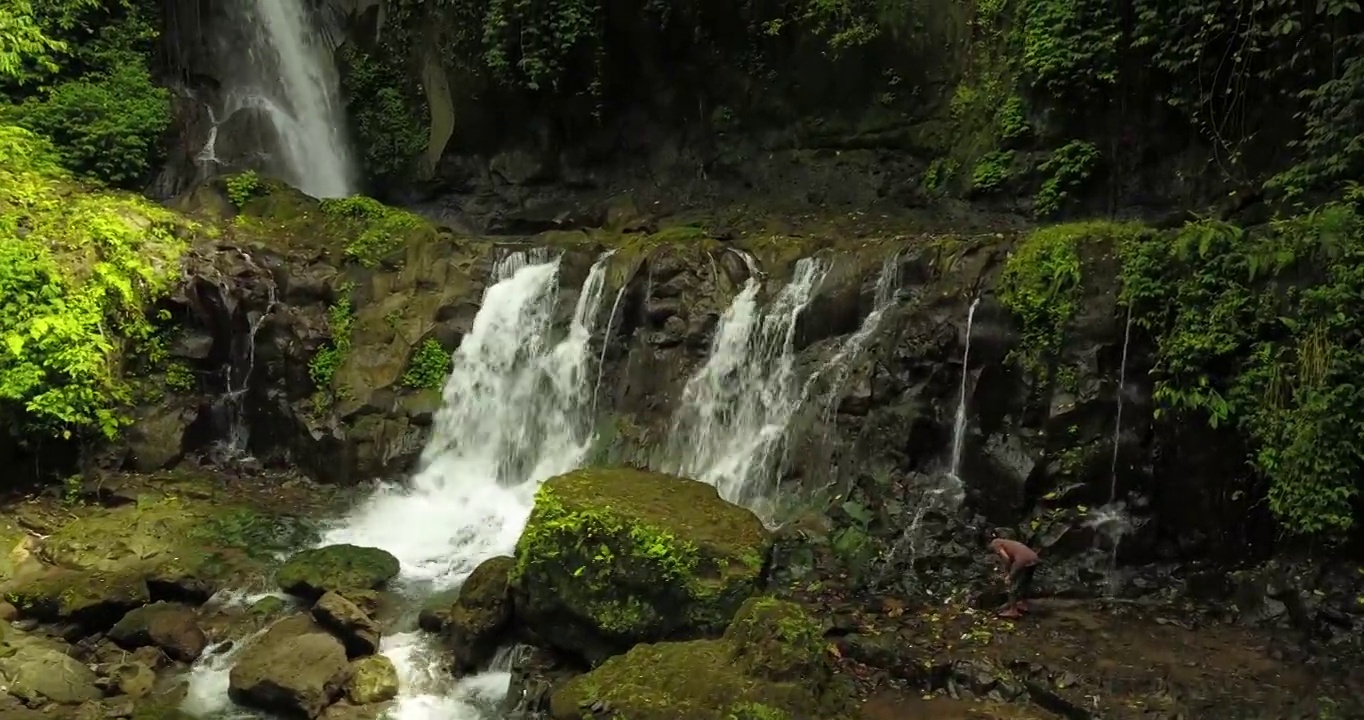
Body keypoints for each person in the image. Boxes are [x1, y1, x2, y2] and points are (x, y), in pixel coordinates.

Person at [988, 536, 1040, 618]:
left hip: (1022, 560)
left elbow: (1006, 558)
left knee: (1011, 583)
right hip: (1034, 557)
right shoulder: (1007, 542)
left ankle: (1013, 611)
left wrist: (1008, 573)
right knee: (1024, 582)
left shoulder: (996, 543)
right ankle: (1024, 604)